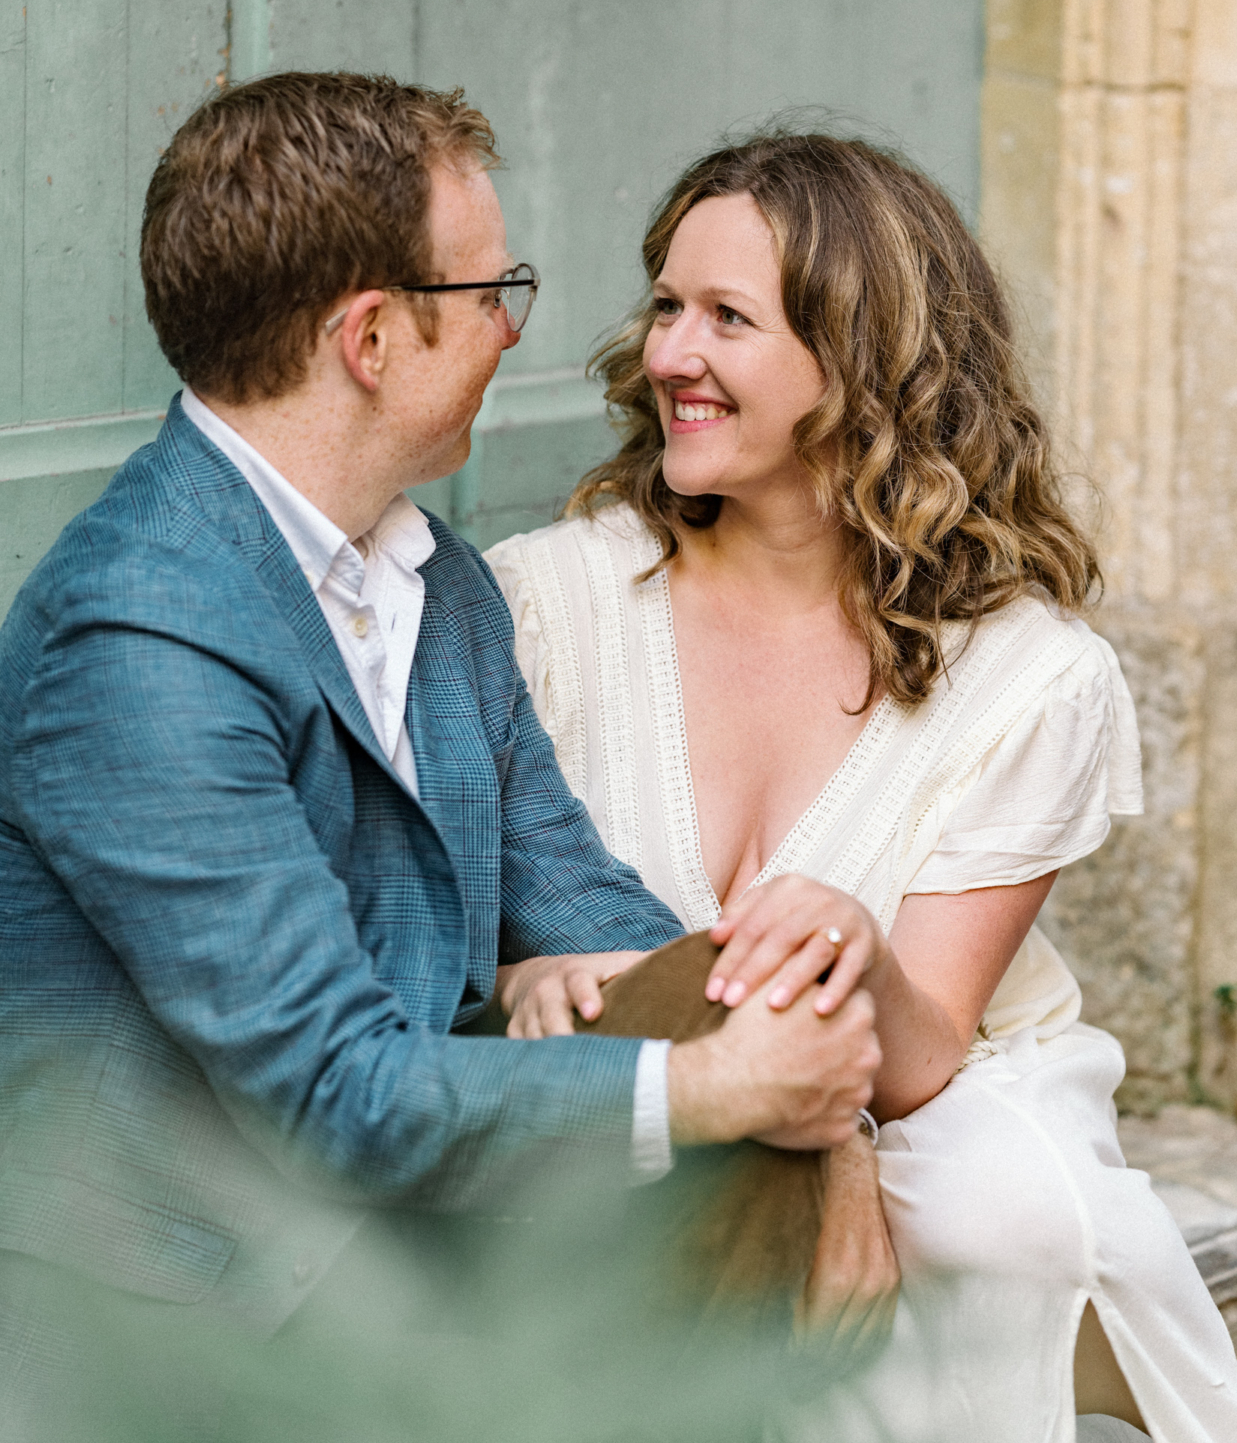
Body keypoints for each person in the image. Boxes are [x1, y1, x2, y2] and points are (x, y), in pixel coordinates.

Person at [0, 77, 884, 1434]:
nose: (512, 328)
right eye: (489, 293)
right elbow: (336, 1090)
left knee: (728, 1071)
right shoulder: (139, 637)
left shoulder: (432, 585)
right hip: (187, 1309)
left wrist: (819, 1122)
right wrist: (717, 1085)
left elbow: (602, 920)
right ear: (369, 335)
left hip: (400, 1237)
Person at [484, 131, 1237, 1442]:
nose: (668, 355)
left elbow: (927, 1045)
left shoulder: (1025, 676)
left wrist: (851, 942)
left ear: (863, 362)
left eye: (726, 318)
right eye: (665, 305)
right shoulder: (544, 603)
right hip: (639, 1105)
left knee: (987, 1204)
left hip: (932, 1085)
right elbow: (457, 936)